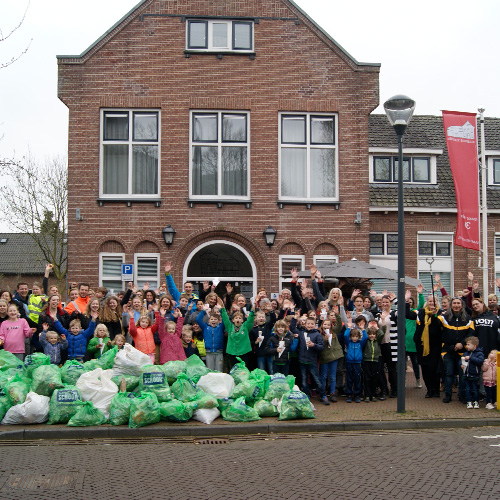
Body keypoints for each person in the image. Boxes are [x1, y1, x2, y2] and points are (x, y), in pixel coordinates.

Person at [437, 297, 475, 403]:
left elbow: (471, 333)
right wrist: (435, 313)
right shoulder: (444, 317)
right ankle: (448, 395)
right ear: (451, 305)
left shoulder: (468, 318)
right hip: (448, 351)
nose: (456, 305)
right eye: (454, 303)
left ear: (462, 305)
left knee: (462, 374)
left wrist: (462, 344)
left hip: (463, 352)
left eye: (458, 303)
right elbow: (436, 327)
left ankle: (461, 395)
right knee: (449, 373)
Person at [406, 292, 442, 399]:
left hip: (435, 345)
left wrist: (434, 315)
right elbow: (407, 314)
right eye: (430, 301)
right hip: (422, 346)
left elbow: (440, 326)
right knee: (425, 368)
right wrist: (406, 301)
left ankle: (436, 390)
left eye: (434, 301)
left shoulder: (441, 312)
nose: (432, 303)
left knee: (434, 369)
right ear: (427, 302)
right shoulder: (420, 312)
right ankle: (429, 389)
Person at [289, 310, 328, 405]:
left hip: (312, 361)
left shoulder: (317, 334)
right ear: (305, 324)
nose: (310, 325)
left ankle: (323, 395)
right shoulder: (301, 333)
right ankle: (306, 394)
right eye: (308, 324)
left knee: (317, 379)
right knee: (304, 379)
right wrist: (295, 318)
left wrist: (313, 345)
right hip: (302, 360)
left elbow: (321, 347)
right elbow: (292, 328)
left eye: (312, 324)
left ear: (315, 325)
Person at [221, 299, 255, 369]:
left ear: (242, 320)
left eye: (240, 318)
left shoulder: (245, 326)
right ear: (233, 320)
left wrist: (253, 308)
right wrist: (222, 307)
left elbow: (250, 319)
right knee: (233, 370)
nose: (238, 319)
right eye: (236, 318)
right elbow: (225, 318)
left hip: (244, 352)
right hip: (232, 352)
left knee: (243, 370)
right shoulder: (229, 327)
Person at [377, 294, 398, 398]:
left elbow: (402, 310)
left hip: (391, 344)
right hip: (380, 345)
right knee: (380, 369)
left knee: (391, 368)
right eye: (383, 302)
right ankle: (384, 389)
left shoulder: (394, 314)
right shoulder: (378, 315)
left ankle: (394, 389)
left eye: (387, 302)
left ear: (390, 303)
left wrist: (395, 299)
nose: (384, 304)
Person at [318, 316, 343, 402]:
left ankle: (332, 393)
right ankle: (323, 393)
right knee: (323, 376)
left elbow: (339, 325)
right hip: (324, 358)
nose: (326, 326)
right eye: (325, 324)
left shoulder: (334, 332)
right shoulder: (319, 334)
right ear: (322, 325)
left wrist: (337, 315)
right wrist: (325, 340)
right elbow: (320, 346)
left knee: (333, 376)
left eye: (328, 325)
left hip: (334, 357)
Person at [343, 323, 368, 403]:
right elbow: (345, 336)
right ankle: (349, 394)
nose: (354, 338)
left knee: (357, 379)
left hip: (357, 363)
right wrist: (349, 328)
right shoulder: (348, 343)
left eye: (356, 336)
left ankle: (357, 394)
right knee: (349, 379)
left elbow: (365, 338)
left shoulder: (360, 344)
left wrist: (363, 329)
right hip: (349, 362)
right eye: (353, 336)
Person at [195, 307, 223, 372]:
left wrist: (221, 310)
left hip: (219, 352)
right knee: (210, 370)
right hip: (208, 352)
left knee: (219, 369)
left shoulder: (220, 327)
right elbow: (198, 319)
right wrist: (203, 310)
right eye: (211, 319)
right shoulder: (205, 327)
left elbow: (225, 319)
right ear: (208, 320)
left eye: (215, 319)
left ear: (218, 321)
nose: (213, 320)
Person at [362, 321, 385, 402]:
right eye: (370, 334)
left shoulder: (377, 341)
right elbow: (363, 335)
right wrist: (368, 327)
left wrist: (377, 328)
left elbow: (382, 334)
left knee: (374, 378)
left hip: (375, 361)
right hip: (367, 361)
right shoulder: (366, 341)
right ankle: (367, 395)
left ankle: (373, 394)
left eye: (373, 334)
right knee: (367, 379)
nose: (372, 336)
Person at [249, 310, 276, 374]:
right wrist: (256, 342)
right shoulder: (253, 329)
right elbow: (251, 342)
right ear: (255, 319)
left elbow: (273, 320)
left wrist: (271, 312)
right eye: (259, 317)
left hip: (269, 352)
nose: (261, 318)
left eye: (262, 317)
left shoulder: (267, 326)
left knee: (271, 370)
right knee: (261, 370)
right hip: (260, 353)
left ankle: (272, 383)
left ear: (265, 319)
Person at [461, 336, 484, 409]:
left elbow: (480, 361)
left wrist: (470, 358)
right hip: (467, 374)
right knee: (467, 389)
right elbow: (461, 361)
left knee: (475, 389)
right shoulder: (465, 353)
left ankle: (476, 402)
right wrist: (460, 365)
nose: (466, 346)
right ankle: (469, 402)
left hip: (474, 374)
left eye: (468, 344)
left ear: (474, 345)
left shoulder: (479, 353)